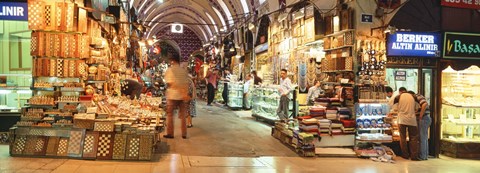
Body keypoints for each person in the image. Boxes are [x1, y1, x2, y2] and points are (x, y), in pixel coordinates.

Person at [164, 54, 190, 139]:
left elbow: (169, 83)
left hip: (172, 95)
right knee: (183, 116)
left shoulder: (170, 70)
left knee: (170, 115)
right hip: (182, 96)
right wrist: (185, 93)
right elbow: (187, 83)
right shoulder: (183, 71)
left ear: (173, 61)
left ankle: (170, 133)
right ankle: (184, 134)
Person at [393, 87, 420, 160]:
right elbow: (417, 107)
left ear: (400, 92)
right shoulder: (413, 96)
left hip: (402, 120)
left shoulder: (398, 97)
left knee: (403, 138)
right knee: (413, 137)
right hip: (412, 120)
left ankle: (405, 155)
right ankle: (414, 156)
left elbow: (394, 109)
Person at [408, 91, 431, 160]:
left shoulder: (418, 96)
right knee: (423, 137)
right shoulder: (415, 99)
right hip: (423, 118)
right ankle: (424, 155)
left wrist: (420, 116)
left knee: (422, 138)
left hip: (424, 119)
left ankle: (422, 156)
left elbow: (425, 104)